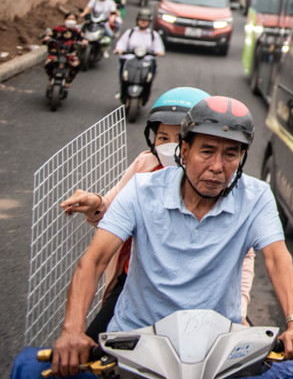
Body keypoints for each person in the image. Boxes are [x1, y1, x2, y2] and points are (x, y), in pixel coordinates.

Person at [50, 96, 293, 376]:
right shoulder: (142, 190)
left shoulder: (257, 197)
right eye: (207, 151)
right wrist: (73, 330)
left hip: (219, 347)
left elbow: (278, 259)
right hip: (135, 342)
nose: (217, 166)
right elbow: (94, 260)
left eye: (231, 154)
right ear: (184, 151)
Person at [57, 87, 256, 336]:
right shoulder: (144, 167)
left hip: (201, 293)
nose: (170, 147)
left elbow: (244, 256)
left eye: (178, 137)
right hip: (135, 284)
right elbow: (112, 213)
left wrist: (240, 306)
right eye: (162, 137)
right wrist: (95, 204)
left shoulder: (223, 185)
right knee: (93, 351)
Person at [112, 8, 165, 97]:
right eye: (141, 20)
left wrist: (159, 52)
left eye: (145, 20)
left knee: (151, 72)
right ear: (137, 20)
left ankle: (146, 91)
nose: (143, 22)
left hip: (147, 60)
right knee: (123, 67)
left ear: (149, 22)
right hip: (130, 59)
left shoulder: (153, 35)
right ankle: (122, 89)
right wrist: (119, 49)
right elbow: (121, 43)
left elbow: (159, 49)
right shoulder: (130, 32)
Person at [41, 12, 83, 95]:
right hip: (56, 53)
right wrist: (47, 38)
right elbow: (49, 37)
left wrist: (84, 42)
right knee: (48, 64)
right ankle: (50, 78)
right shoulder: (57, 29)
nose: (71, 21)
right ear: (65, 20)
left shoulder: (77, 32)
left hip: (69, 55)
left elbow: (83, 40)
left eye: (73, 19)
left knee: (76, 65)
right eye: (69, 19)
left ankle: (68, 81)